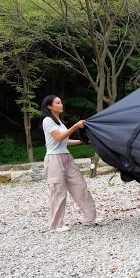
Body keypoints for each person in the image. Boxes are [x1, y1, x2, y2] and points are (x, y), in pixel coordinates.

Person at [40, 95, 100, 232]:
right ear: (50, 106)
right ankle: (56, 225)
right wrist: (76, 126)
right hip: (54, 159)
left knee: (80, 186)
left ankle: (89, 218)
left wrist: (82, 141)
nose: (61, 105)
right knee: (58, 192)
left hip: (67, 157)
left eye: (61, 102)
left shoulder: (59, 122)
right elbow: (59, 137)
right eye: (58, 103)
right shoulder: (47, 121)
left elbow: (64, 141)